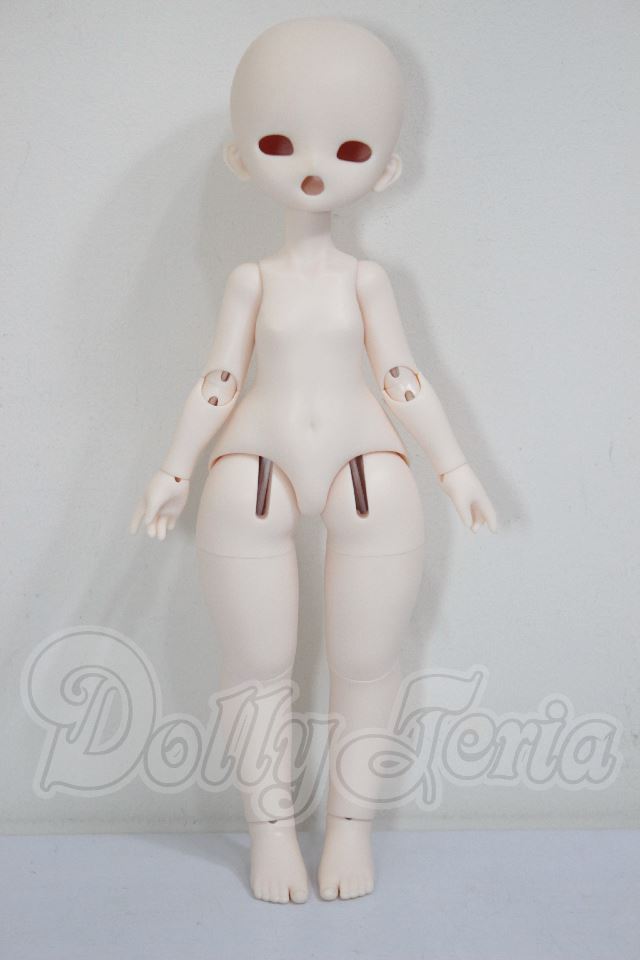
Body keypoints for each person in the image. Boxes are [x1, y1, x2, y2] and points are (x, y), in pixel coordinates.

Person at [131, 16, 496, 904]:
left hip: (367, 470)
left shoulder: (368, 281)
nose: (312, 167)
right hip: (251, 470)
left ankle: (350, 830)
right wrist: (174, 469)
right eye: (279, 142)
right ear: (240, 156)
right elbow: (219, 380)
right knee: (258, 663)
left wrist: (454, 467)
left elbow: (402, 377)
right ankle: (270, 836)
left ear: (387, 168)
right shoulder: (250, 281)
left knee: (367, 660)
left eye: (351, 147)